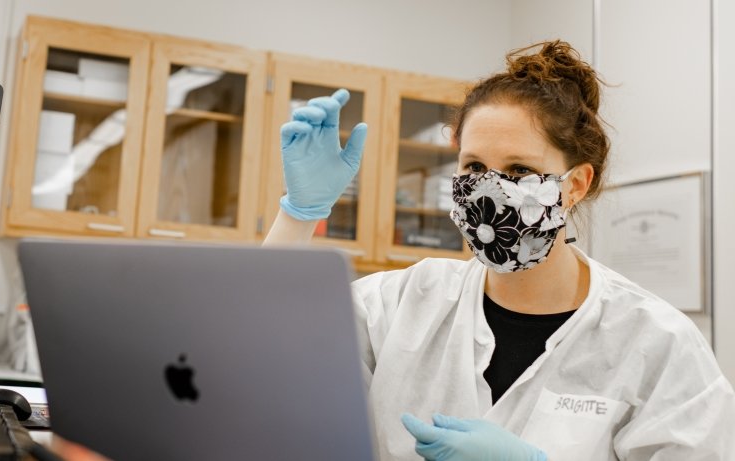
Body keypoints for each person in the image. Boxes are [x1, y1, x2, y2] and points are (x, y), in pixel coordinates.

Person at [264, 40, 735, 461]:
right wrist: (299, 216)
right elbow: (265, 347)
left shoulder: (655, 342)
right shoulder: (405, 301)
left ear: (575, 185)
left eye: (518, 170)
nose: (489, 190)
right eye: (474, 166)